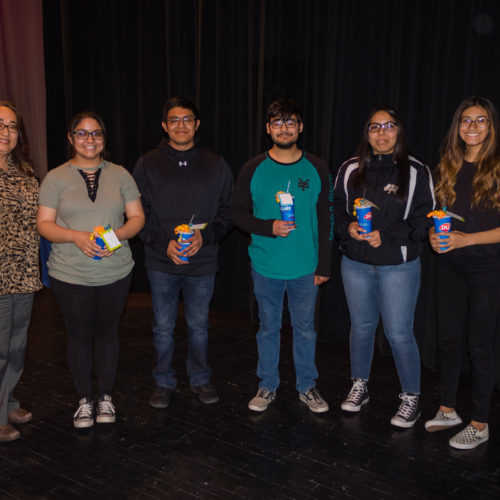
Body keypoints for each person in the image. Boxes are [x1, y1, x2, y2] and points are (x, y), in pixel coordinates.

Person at [37, 111, 144, 428]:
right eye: (82, 133)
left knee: (108, 334)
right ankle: (84, 400)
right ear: (70, 138)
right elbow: (44, 224)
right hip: (70, 274)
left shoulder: (121, 174)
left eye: (96, 133)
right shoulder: (55, 178)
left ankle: (106, 397)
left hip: (116, 271)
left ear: (104, 138)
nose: (90, 139)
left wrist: (113, 238)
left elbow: (137, 218)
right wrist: (77, 237)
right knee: (80, 336)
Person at [334, 106, 435, 428]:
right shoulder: (350, 168)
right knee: (361, 328)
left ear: (399, 131)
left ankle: (411, 397)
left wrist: (387, 236)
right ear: (367, 133)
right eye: (374, 127)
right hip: (356, 264)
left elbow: (424, 219)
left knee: (398, 333)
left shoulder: (417, 171)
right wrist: (348, 227)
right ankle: (359, 385)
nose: (381, 133)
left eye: (388, 126)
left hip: (398, 267)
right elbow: (334, 208)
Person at [231, 98, 333, 413]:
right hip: (266, 266)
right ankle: (267, 385)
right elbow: (236, 214)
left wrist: (325, 263)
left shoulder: (316, 167)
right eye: (277, 122)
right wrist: (268, 226)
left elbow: (327, 218)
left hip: (305, 267)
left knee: (304, 329)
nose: (284, 128)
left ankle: (307, 386)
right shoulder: (252, 168)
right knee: (267, 328)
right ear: (268, 128)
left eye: (290, 122)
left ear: (300, 127)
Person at [133, 96, 233, 408]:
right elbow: (137, 215)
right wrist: (163, 243)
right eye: (174, 120)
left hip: (202, 263)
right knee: (163, 328)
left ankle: (200, 378)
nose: (181, 125)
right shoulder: (147, 164)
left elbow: (229, 212)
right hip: (161, 261)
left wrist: (205, 238)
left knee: (198, 327)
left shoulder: (216, 164)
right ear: (165, 126)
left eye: (187, 119)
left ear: (197, 124)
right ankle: (163, 380)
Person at [425, 96, 500, 449]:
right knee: (448, 341)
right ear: (457, 127)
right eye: (465, 120)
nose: (472, 126)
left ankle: (480, 423)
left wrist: (467, 239)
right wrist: (433, 235)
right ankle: (448, 409)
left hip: (487, 266)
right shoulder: (446, 167)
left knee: (480, 346)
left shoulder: (498, 165)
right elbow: (439, 216)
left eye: (480, 120)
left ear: (491, 126)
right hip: (449, 266)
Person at [0, 101, 41, 442]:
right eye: (0, 125)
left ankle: (9, 400)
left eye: (12, 126)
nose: (6, 132)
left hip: (24, 274)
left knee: (16, 345)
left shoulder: (26, 172)